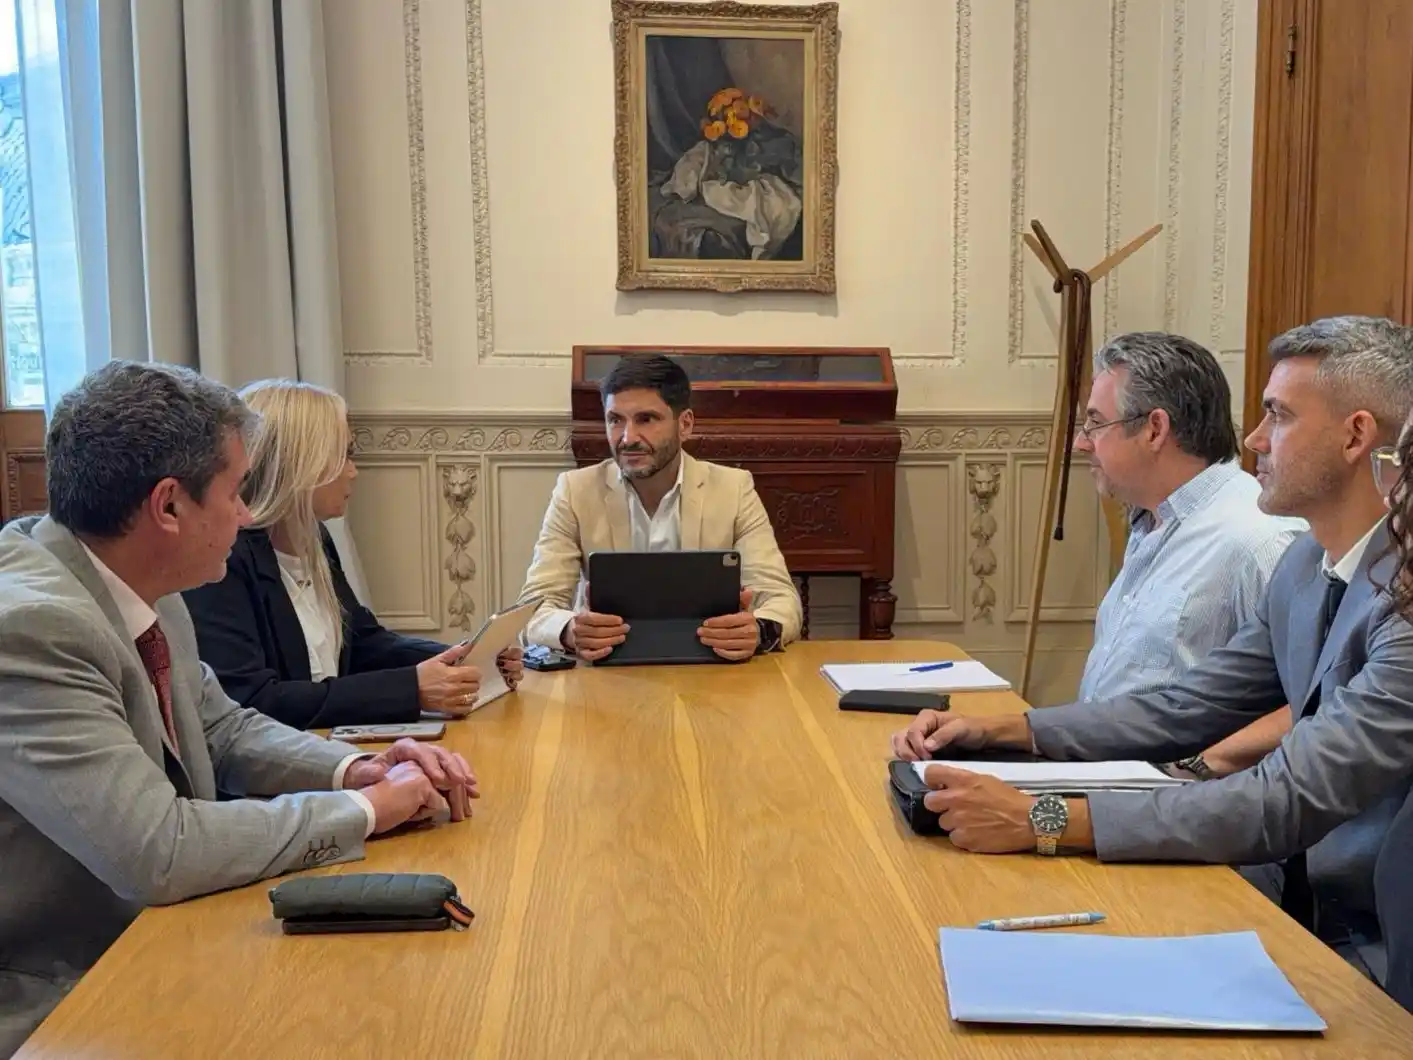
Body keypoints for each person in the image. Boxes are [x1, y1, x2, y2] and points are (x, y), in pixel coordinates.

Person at [890, 316, 1413, 978]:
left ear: (1354, 436)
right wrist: (1002, 730)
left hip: (1372, 952)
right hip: (1284, 899)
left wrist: (1043, 819)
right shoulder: (1305, 564)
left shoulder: (1402, 606)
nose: (1251, 440)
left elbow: (1284, 798)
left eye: (1276, 417)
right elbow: (1186, 705)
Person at [0, 362, 478, 1058]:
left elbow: (222, 726)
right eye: (233, 492)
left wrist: (358, 770)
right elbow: (156, 853)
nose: (248, 515)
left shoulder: (136, 577)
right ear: (168, 507)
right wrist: (372, 813)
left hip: (159, 935)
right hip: (61, 986)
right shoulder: (32, 629)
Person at [182, 379, 522, 730]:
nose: (353, 471)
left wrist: (463, 658)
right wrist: (411, 689)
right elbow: (254, 702)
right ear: (301, 464)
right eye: (344, 455)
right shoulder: (224, 560)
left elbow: (361, 642)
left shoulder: (314, 538)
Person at [515, 354, 803, 661]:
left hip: (710, 671)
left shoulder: (734, 489)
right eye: (615, 420)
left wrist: (758, 631)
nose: (628, 438)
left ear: (685, 425)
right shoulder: (574, 491)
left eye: (646, 419)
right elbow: (533, 608)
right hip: (607, 674)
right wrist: (570, 630)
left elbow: (782, 600)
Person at [1071, 332, 1304, 704]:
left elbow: (1302, 707)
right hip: (1103, 757)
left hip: (1177, 763)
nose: (1081, 443)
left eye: (1095, 424)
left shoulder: (1261, 540)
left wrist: (1196, 764)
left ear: (1155, 429)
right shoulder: (1151, 521)